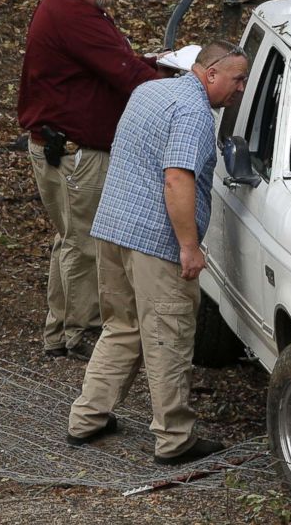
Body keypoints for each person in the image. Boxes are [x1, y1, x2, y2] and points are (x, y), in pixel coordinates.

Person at [66, 40, 249, 465]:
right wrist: (189, 246)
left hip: (113, 228)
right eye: (238, 79)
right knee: (168, 338)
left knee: (122, 326)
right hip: (156, 243)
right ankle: (174, 440)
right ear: (210, 74)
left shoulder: (150, 90)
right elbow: (177, 180)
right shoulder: (195, 116)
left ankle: (87, 419)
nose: (241, 89)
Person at [17, 0, 162, 361]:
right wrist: (180, 85)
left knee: (70, 238)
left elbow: (114, 63)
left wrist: (154, 64)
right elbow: (125, 74)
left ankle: (59, 331)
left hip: (60, 148)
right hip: (75, 155)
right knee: (85, 242)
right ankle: (80, 333)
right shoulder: (74, 16)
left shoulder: (71, 8)